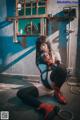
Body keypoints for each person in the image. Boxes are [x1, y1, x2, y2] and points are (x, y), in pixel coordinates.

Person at [36, 35, 67, 104]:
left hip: (54, 78)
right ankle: (56, 92)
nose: (42, 47)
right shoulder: (39, 57)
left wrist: (51, 62)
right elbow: (43, 70)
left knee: (62, 68)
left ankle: (57, 91)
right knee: (61, 69)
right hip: (46, 80)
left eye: (43, 45)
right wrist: (46, 61)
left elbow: (59, 68)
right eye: (40, 45)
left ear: (48, 44)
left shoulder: (55, 54)